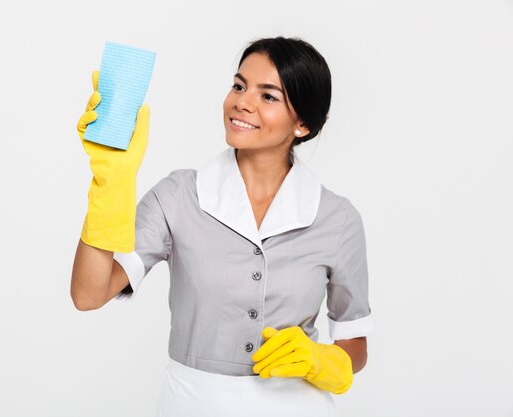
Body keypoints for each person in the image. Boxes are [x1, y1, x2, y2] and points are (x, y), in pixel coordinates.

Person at [71, 36, 373, 417]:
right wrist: (110, 182)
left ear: (302, 124)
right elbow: (88, 294)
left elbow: (354, 344)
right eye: (239, 85)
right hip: (192, 404)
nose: (241, 102)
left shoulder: (337, 219)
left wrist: (320, 360)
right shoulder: (179, 196)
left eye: (268, 96)